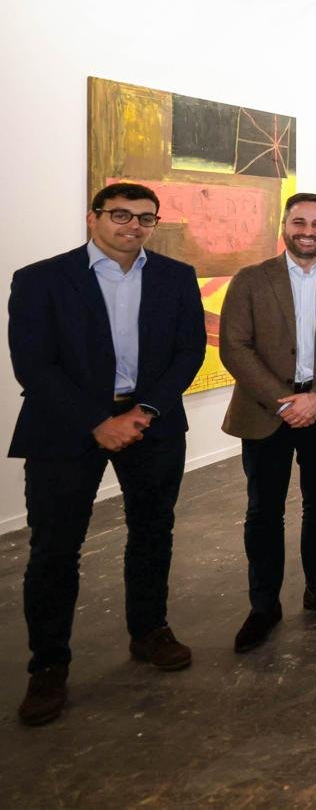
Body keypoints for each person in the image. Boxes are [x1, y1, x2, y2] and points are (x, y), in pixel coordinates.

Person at [9, 183, 205, 726]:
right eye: (120, 214)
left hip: (151, 423)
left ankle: (149, 630)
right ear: (93, 217)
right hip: (65, 427)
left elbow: (189, 351)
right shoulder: (41, 279)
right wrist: (97, 423)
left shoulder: (175, 276)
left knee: (153, 531)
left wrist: (144, 412)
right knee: (55, 548)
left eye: (145, 217)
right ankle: (48, 665)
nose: (133, 226)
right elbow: (33, 365)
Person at [221, 192, 316, 653]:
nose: (308, 231)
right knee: (263, 511)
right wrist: (284, 402)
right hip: (265, 412)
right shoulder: (250, 279)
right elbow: (234, 347)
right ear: (285, 226)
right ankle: (263, 605)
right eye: (300, 222)